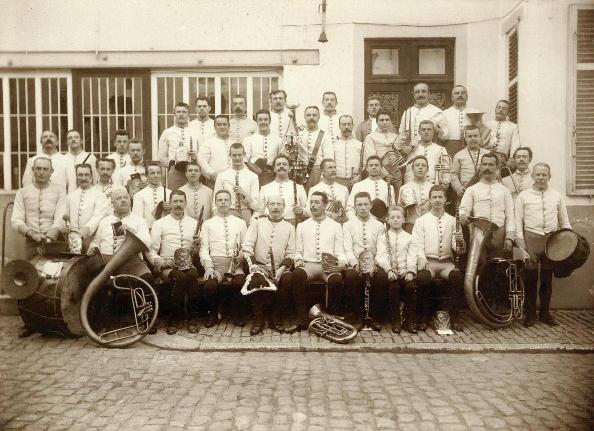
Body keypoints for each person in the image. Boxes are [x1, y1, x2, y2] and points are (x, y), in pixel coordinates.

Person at [87, 187, 154, 333]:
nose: (123, 200)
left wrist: (131, 231)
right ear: (112, 203)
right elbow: (97, 242)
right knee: (99, 282)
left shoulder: (138, 220)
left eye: (125, 197)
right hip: (107, 261)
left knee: (147, 278)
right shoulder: (104, 222)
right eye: (118, 198)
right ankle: (102, 323)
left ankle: (147, 319)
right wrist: (93, 247)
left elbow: (148, 242)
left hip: (130, 262)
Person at [515, 163, 571, 327]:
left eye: (544, 175)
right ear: (532, 176)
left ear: (549, 176)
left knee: (547, 279)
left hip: (551, 241)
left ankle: (545, 314)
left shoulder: (557, 196)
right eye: (537, 174)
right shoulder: (523, 196)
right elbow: (518, 223)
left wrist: (568, 243)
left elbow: (564, 221)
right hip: (531, 240)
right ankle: (530, 314)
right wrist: (521, 245)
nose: (540, 178)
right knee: (531, 279)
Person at [412, 185, 465, 331]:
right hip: (429, 261)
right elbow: (417, 244)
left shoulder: (453, 220)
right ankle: (422, 317)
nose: (437, 200)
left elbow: (457, 248)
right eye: (434, 197)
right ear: (429, 199)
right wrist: (421, 259)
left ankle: (455, 318)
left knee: (457, 277)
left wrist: (460, 241)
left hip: (446, 262)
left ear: (445, 199)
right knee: (423, 278)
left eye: (440, 197)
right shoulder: (421, 220)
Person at [242, 196, 297, 335]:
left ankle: (275, 318)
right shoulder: (257, 223)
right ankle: (258, 319)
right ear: (267, 206)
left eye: (279, 204)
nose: (275, 207)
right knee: (255, 278)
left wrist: (281, 270)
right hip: (259, 265)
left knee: (288, 279)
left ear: (284, 207)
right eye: (272, 204)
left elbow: (291, 253)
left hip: (280, 267)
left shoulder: (290, 227)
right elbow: (247, 247)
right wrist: (253, 265)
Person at [292, 191, 346, 329]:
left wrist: (341, 263)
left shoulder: (335, 226)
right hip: (309, 265)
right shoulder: (302, 226)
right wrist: (298, 260)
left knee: (336, 280)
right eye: (311, 202)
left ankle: (330, 318)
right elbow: (298, 251)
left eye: (317, 202)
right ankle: (302, 319)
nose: (313, 205)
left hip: (327, 268)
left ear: (325, 205)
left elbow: (340, 251)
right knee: (297, 274)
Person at [149, 190, 200, 334]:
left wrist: (196, 248)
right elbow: (151, 250)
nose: (178, 204)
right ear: (170, 203)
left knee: (191, 275)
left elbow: (197, 251)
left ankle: (192, 318)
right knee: (179, 277)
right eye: (175, 201)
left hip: (189, 264)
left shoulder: (194, 223)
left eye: (181, 201)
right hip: (168, 265)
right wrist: (161, 262)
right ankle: (175, 318)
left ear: (185, 203)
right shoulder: (160, 223)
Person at [199, 190, 248, 327]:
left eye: (226, 200)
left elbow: (246, 245)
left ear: (230, 202)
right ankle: (214, 314)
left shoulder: (240, 223)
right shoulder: (207, 224)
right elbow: (204, 248)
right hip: (216, 264)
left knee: (239, 283)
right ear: (215, 203)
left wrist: (242, 254)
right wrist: (208, 266)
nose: (223, 202)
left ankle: (237, 314)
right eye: (220, 200)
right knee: (210, 285)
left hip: (235, 264)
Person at [342, 192, 386, 330]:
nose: (362, 207)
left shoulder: (379, 225)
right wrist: (354, 263)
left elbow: (382, 248)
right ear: (354, 206)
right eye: (359, 204)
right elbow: (347, 248)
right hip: (355, 263)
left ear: (371, 205)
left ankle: (374, 316)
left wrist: (375, 263)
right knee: (351, 277)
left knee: (381, 277)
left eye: (366, 204)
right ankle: (358, 316)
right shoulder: (348, 225)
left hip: (374, 263)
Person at [459, 153, 515, 260]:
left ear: (497, 166)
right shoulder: (472, 189)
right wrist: (463, 216)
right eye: (484, 164)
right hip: (478, 233)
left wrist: (509, 237)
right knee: (479, 268)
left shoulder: (505, 191)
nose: (487, 168)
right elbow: (463, 209)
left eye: (491, 164)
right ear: (480, 166)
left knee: (497, 268)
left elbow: (510, 216)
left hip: (499, 235)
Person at [11, 157, 65, 260]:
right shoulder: (22, 192)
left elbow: (60, 218)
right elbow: (16, 220)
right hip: (32, 241)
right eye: (38, 168)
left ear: (51, 171)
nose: (41, 172)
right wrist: (31, 234)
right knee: (31, 272)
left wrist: (49, 237)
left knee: (54, 272)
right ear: (33, 170)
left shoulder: (59, 191)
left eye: (45, 169)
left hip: (54, 241)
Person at [375, 205, 417, 333]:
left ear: (403, 220)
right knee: (394, 287)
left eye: (398, 217)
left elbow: (412, 255)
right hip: (391, 273)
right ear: (387, 220)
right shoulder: (383, 238)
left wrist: (410, 271)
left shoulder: (409, 238)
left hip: (405, 271)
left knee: (410, 287)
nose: (395, 220)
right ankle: (396, 320)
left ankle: (409, 320)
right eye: (392, 217)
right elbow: (381, 256)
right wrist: (388, 270)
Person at [59, 163, 110, 252]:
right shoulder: (70, 196)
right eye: (80, 175)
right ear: (76, 177)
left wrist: (82, 233)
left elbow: (97, 218)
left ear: (91, 177)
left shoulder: (100, 195)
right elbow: (65, 217)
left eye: (86, 175)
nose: (83, 178)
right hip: (72, 242)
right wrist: (67, 230)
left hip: (92, 240)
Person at [212, 143, 259, 224]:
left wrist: (244, 194)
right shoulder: (222, 175)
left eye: (240, 155)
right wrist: (217, 219)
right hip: (227, 214)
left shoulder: (253, 176)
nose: (237, 158)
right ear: (230, 155)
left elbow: (256, 205)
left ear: (244, 155)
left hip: (246, 214)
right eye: (234, 155)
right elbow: (215, 202)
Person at [158, 102, 199, 191]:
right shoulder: (167, 132)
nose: (181, 114)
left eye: (184, 112)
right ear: (174, 114)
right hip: (175, 171)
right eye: (178, 112)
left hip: (193, 170)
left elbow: (202, 152)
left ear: (189, 115)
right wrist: (172, 166)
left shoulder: (196, 132)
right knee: (175, 197)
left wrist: (196, 157)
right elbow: (161, 156)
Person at [258, 155, 307, 225]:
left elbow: (307, 210)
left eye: (284, 164)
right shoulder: (265, 188)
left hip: (292, 224)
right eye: (278, 164)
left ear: (290, 168)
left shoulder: (299, 188)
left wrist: (302, 211)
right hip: (269, 225)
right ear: (274, 169)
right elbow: (260, 210)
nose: (281, 166)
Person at [291, 106, 331, 191]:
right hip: (300, 172)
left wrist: (323, 177)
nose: (311, 117)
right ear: (305, 117)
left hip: (317, 172)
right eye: (308, 115)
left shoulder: (325, 135)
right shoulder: (298, 134)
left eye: (314, 115)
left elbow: (328, 158)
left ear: (319, 117)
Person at [346, 156, 395, 220]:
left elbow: (392, 208)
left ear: (381, 168)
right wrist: (355, 221)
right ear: (367, 168)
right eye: (371, 165)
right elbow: (350, 208)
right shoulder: (358, 186)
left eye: (376, 165)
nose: (374, 167)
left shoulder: (389, 187)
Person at [242, 108, 282, 186]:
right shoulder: (249, 139)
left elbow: (281, 158)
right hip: (254, 176)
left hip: (273, 176)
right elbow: (244, 159)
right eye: (260, 120)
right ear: (256, 121)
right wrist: (255, 170)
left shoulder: (278, 140)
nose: (263, 122)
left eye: (265, 119)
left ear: (270, 121)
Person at [404, 120, 450, 185]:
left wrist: (444, 184)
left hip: (434, 186)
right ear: (419, 132)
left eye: (429, 129)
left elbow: (446, 170)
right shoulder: (412, 149)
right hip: (413, 185)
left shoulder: (441, 150)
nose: (426, 132)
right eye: (423, 130)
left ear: (433, 132)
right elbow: (408, 170)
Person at [451, 125, 490, 200]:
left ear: (480, 137)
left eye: (475, 136)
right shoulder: (459, 155)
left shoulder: (488, 154)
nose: (473, 138)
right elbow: (454, 174)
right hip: (466, 193)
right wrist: (458, 187)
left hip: (485, 192)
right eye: (470, 136)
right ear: (465, 138)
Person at [307, 159, 349, 223]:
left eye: (335, 167)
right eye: (330, 167)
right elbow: (309, 210)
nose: (333, 170)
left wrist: (346, 217)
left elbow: (348, 209)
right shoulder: (314, 189)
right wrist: (329, 215)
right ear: (322, 171)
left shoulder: (344, 189)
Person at [132, 161, 172, 229]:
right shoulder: (139, 195)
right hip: (147, 232)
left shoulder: (169, 193)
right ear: (147, 176)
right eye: (152, 173)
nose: (156, 175)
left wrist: (170, 209)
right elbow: (137, 219)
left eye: (158, 173)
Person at [397, 156, 432, 232]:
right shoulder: (404, 188)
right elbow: (400, 212)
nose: (420, 167)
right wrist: (402, 207)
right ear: (412, 169)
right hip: (411, 227)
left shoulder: (433, 188)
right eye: (417, 165)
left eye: (423, 165)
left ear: (427, 169)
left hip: (430, 226)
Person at [328, 115, 364, 188]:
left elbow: (364, 164)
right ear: (339, 126)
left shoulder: (360, 145)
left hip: (355, 180)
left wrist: (359, 177)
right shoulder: (333, 145)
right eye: (344, 124)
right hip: (337, 181)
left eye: (349, 124)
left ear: (352, 125)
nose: (346, 127)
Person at [198, 115, 233, 187]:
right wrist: (212, 174)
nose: (222, 127)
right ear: (214, 127)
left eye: (224, 124)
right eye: (219, 124)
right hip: (214, 181)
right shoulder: (208, 143)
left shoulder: (234, 143)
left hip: (232, 181)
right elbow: (201, 160)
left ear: (229, 126)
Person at [484, 100, 520, 165]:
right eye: (499, 107)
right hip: (485, 156)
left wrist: (511, 159)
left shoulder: (513, 127)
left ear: (508, 113)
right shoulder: (487, 124)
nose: (500, 110)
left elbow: (515, 145)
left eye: (504, 109)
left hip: (501, 158)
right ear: (495, 110)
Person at [442, 85, 472, 156]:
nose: (460, 95)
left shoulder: (474, 112)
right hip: (451, 149)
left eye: (463, 93)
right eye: (457, 93)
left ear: (467, 97)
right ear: (452, 98)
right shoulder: (444, 113)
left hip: (470, 148)